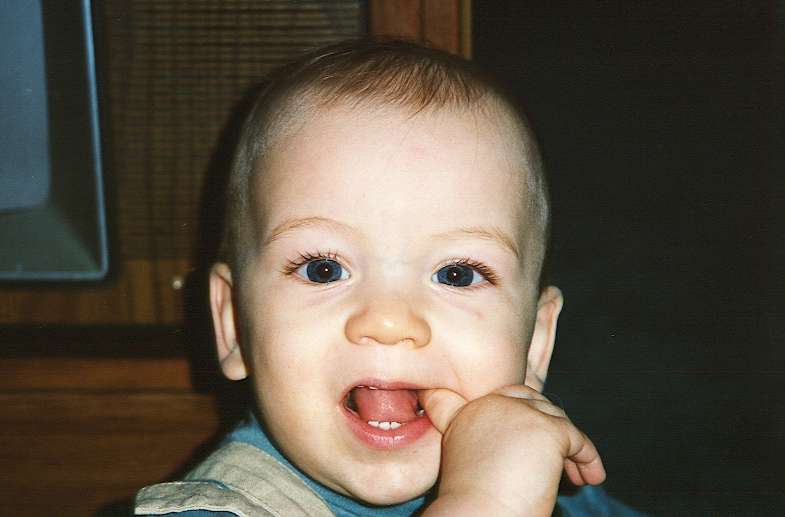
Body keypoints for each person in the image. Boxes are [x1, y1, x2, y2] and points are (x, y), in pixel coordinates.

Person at [135, 38, 648, 517]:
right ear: (233, 323)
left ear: (535, 341)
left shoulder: (542, 474)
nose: (388, 321)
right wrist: (487, 502)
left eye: (456, 274)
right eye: (324, 269)